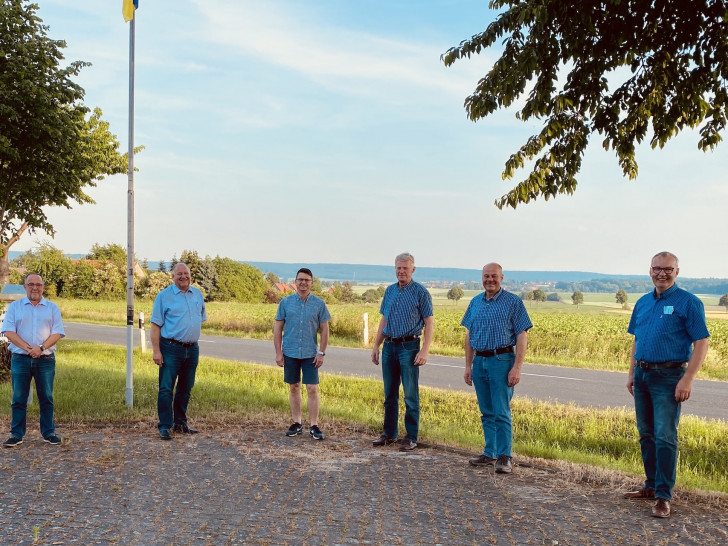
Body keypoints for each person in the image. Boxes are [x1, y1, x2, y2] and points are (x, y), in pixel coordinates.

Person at [624, 251, 709, 518]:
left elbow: (701, 342)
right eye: (656, 268)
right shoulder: (643, 302)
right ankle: (650, 486)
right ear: (649, 270)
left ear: (677, 272)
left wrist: (688, 378)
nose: (661, 273)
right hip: (642, 374)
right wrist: (631, 373)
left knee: (665, 437)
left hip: (670, 376)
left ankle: (663, 496)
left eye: (667, 269)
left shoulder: (688, 302)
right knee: (646, 434)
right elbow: (637, 340)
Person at [461, 263, 532, 474]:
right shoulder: (475, 302)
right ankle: (490, 452)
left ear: (501, 278)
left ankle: (504, 456)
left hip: (501, 360)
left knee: (501, 411)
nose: (489, 280)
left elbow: (522, 335)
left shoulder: (513, 302)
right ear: (481, 278)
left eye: (493, 276)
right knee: (486, 411)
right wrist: (467, 365)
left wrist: (517, 367)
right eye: (486, 276)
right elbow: (469, 335)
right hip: (479, 361)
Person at [370, 253, 433, 452]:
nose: (401, 271)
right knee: (389, 394)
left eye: (405, 268)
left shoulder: (420, 292)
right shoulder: (389, 291)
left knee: (410, 395)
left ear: (413, 269)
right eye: (398, 268)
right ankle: (389, 434)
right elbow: (384, 320)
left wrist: (425, 349)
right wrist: (376, 345)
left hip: (409, 347)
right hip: (389, 346)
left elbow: (429, 322)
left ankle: (411, 436)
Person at [1, 274, 65, 447]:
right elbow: (8, 331)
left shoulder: (52, 308)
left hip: (45, 360)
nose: (34, 288)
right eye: (31, 284)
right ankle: (16, 434)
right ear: (25, 287)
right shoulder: (15, 307)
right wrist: (29, 349)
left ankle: (48, 433)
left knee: (46, 397)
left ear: (43, 287)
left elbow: (57, 332)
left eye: (38, 284)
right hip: (20, 359)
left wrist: (41, 348)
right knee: (18, 397)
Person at [151, 263, 207, 440]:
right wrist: (156, 351)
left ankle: (180, 423)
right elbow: (155, 326)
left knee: (186, 387)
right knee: (166, 388)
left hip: (192, 349)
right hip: (170, 348)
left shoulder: (197, 294)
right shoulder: (164, 297)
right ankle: (165, 425)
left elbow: (201, 317)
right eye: (179, 274)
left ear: (190, 275)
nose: (183, 276)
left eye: (186, 273)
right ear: (173, 277)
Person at [274, 268, 331, 440]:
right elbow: (277, 329)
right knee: (294, 387)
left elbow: (325, 329)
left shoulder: (319, 304)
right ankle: (297, 423)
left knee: (312, 388)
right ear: (295, 281)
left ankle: (314, 425)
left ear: (312, 283)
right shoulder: (285, 303)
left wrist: (321, 352)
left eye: (307, 280)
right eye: (300, 280)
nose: (303, 283)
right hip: (290, 351)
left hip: (310, 353)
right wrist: (278, 352)